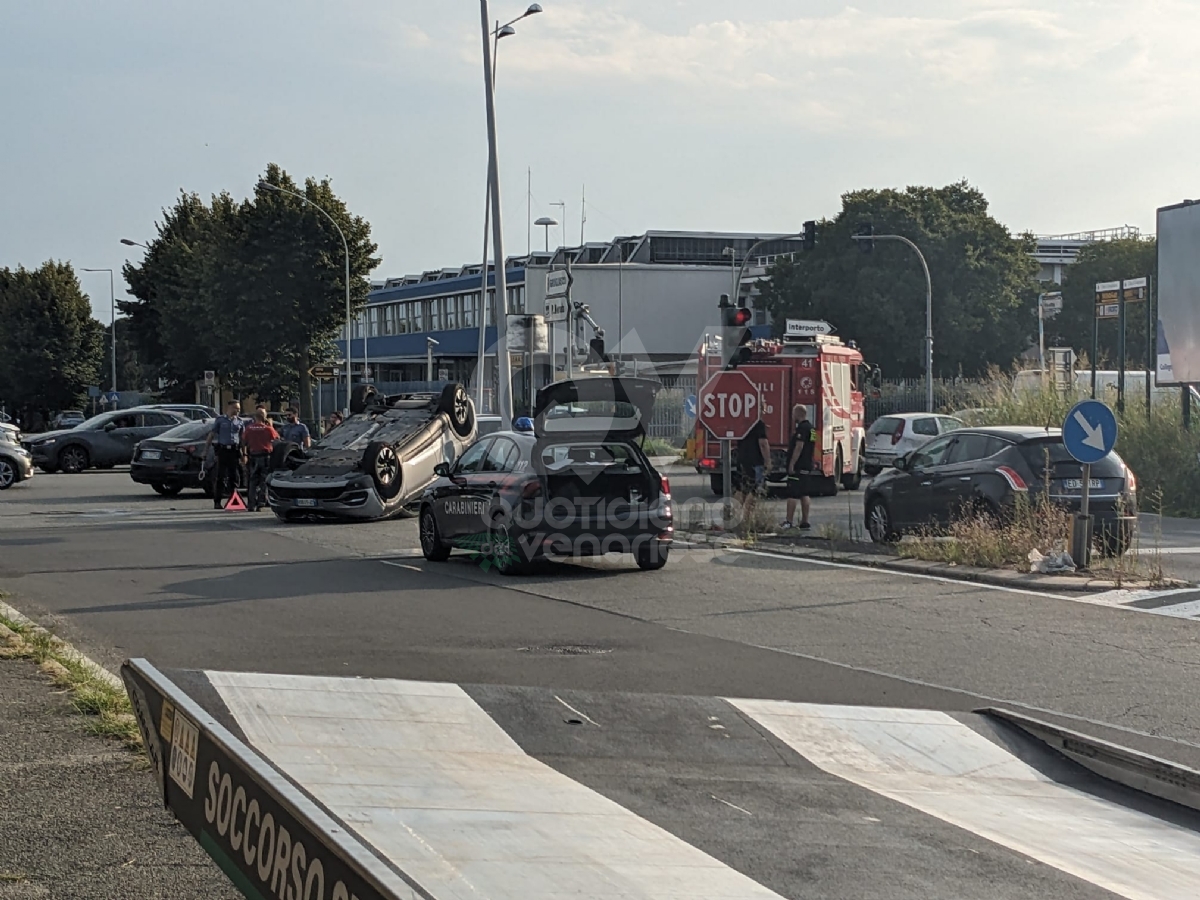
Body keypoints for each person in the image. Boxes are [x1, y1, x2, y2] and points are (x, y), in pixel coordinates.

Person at [204, 400, 245, 509]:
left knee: (234, 477)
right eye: (236, 408)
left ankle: (234, 500)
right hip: (223, 451)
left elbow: (242, 439)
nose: (237, 411)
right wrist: (205, 451)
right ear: (229, 408)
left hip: (234, 451)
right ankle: (217, 501)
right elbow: (211, 435)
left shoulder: (240, 422)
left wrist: (244, 454)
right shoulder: (220, 420)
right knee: (220, 477)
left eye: (239, 409)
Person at [782, 404, 817, 530]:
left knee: (792, 494)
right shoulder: (812, 428)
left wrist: (792, 463)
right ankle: (805, 521)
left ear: (798, 414)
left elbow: (799, 446)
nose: (792, 416)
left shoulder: (802, 428)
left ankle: (789, 521)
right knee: (804, 493)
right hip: (807, 465)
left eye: (793, 413)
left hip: (799, 466)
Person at [732, 417, 770, 525]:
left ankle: (734, 517)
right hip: (756, 462)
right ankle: (747, 520)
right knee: (755, 491)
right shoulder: (758, 423)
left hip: (742, 460)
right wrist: (768, 461)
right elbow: (763, 443)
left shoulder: (743, 421)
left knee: (741, 489)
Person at [242, 408, 279, 512]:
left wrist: (244, 454)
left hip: (253, 455)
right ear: (265, 417)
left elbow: (244, 441)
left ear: (255, 416)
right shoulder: (267, 429)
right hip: (265, 456)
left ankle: (250, 504)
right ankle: (261, 503)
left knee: (252, 481)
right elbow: (277, 438)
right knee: (263, 481)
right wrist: (270, 425)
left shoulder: (249, 428)